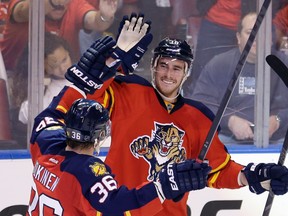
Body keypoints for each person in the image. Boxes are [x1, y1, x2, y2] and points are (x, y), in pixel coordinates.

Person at [64, 13, 288, 216]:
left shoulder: (198, 117)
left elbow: (219, 171)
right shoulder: (127, 91)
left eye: (176, 68)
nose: (168, 74)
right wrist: (116, 58)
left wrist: (257, 176)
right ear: (152, 65)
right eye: (163, 65)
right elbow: (90, 95)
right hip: (120, 211)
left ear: (187, 72)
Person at [27, 36, 211, 215]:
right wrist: (166, 185)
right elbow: (119, 206)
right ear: (100, 137)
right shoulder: (87, 171)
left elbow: (51, 114)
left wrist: (82, 83)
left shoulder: (45, 145)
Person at [187, 12, 288, 144]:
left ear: (270, 39)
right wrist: (229, 120)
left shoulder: (284, 64)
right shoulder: (219, 64)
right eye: (250, 32)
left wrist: (279, 120)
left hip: (278, 140)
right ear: (238, 37)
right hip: (227, 138)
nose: (256, 38)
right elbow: (200, 103)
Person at [0, 0, 118, 72]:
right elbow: (23, 11)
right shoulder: (24, 4)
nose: (60, 5)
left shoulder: (74, 4)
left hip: (60, 78)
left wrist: (105, 16)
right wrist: (53, 2)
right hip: (15, 77)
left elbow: (95, 22)